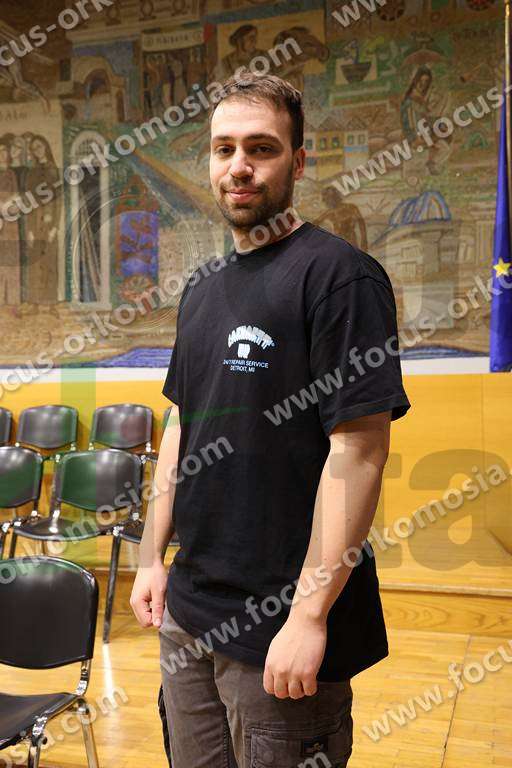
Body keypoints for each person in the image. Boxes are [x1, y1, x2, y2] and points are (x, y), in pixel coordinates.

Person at [131, 73, 411, 768]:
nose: (239, 166)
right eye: (224, 148)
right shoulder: (201, 291)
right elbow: (181, 427)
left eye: (261, 148)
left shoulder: (341, 278)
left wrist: (309, 615)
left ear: (298, 161)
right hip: (189, 613)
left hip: (281, 627)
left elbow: (359, 452)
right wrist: (151, 557)